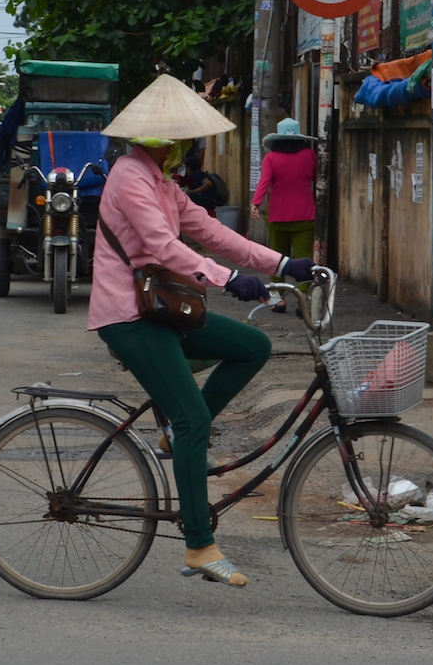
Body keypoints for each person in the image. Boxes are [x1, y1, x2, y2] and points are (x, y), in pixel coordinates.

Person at [89, 75, 317, 588]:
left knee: (252, 346)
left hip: (161, 311)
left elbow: (212, 233)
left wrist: (282, 263)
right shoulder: (130, 177)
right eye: (184, 142)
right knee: (194, 419)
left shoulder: (164, 183)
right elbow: (164, 248)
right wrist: (229, 278)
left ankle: (179, 433)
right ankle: (198, 544)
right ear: (161, 141)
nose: (189, 150)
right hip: (128, 316)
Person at [251, 117, 317, 267]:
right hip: (304, 215)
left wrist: (255, 203)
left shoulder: (270, 158)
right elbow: (318, 179)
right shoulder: (310, 155)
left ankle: (277, 290)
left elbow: (264, 182)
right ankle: (304, 290)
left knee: (277, 260)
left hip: (277, 215)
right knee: (304, 259)